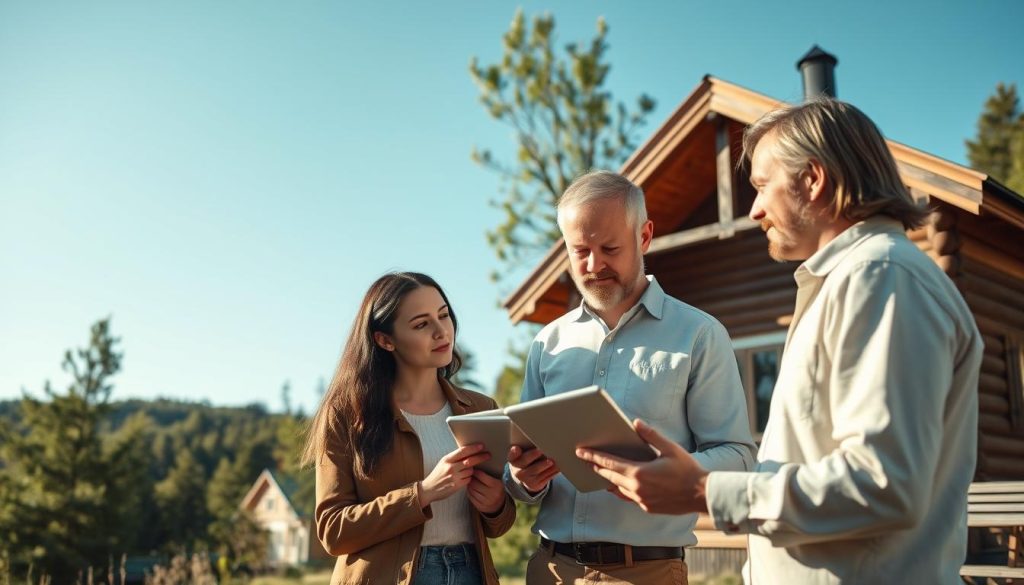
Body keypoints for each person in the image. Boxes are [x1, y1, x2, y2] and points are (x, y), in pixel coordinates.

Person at [578, 98, 983, 583]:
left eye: (763, 186)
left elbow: (884, 484)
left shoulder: (880, 277)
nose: (753, 211)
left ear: (812, 180)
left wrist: (704, 491)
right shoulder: (849, 281)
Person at [505, 170, 757, 585]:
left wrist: (670, 472)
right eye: (579, 250)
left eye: (609, 247)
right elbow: (520, 472)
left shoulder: (698, 334)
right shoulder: (547, 342)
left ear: (644, 237)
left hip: (647, 572)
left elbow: (739, 455)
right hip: (550, 570)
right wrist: (522, 480)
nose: (593, 264)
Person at [302, 272, 516, 585]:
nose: (441, 331)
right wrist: (422, 493)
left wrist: (497, 504)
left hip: (471, 572)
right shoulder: (345, 413)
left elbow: (500, 525)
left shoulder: (483, 409)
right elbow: (333, 531)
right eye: (421, 324)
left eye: (444, 315)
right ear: (384, 340)